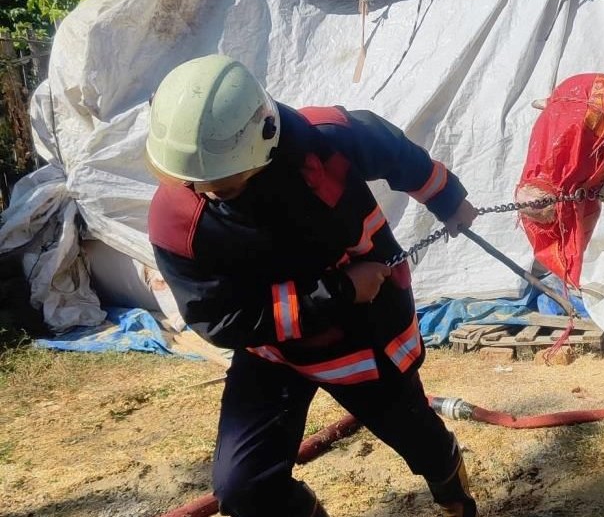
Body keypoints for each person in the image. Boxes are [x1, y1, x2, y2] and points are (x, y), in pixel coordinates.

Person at [145, 55, 479, 516]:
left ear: (265, 139)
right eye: (197, 183)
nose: (209, 192)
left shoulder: (324, 139)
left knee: (420, 441)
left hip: (364, 340)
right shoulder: (178, 219)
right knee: (243, 489)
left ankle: (453, 492)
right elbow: (219, 317)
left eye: (224, 185)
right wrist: (339, 291)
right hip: (274, 354)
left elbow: (389, 148)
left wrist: (448, 198)